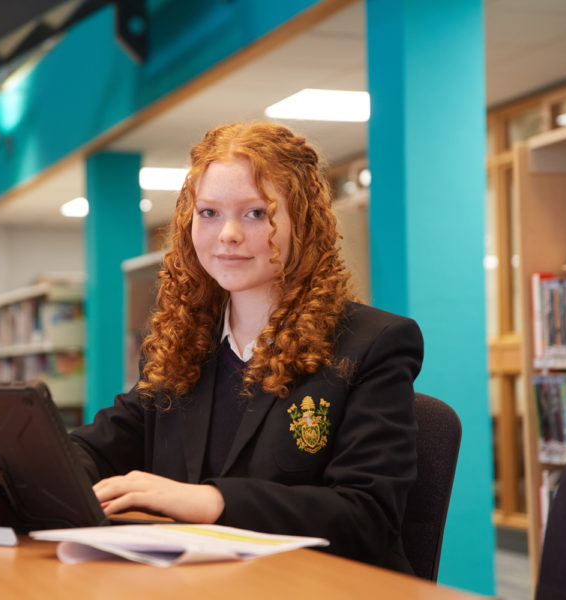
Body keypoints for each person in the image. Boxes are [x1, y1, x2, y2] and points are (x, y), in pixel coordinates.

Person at [70, 121, 423, 572]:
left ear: (304, 222)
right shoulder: (182, 342)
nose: (228, 234)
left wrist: (213, 501)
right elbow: (103, 445)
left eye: (257, 213)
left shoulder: (374, 344)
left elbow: (366, 518)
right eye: (209, 213)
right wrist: (41, 470)